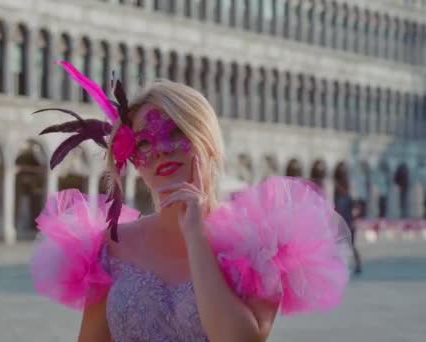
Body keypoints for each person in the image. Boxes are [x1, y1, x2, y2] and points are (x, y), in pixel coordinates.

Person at [30, 61, 350, 341]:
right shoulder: (110, 245)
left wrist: (196, 237)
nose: (163, 151)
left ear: (205, 139)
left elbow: (240, 340)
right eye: (144, 143)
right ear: (132, 159)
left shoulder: (261, 246)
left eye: (174, 133)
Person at [334, 183, 363, 275]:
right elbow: (336, 211)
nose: (339, 190)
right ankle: (339, 266)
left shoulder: (349, 198)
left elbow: (357, 207)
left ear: (344, 188)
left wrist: (354, 217)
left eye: (340, 188)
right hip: (341, 226)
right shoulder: (338, 198)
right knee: (338, 245)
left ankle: (358, 264)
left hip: (350, 225)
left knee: (352, 245)